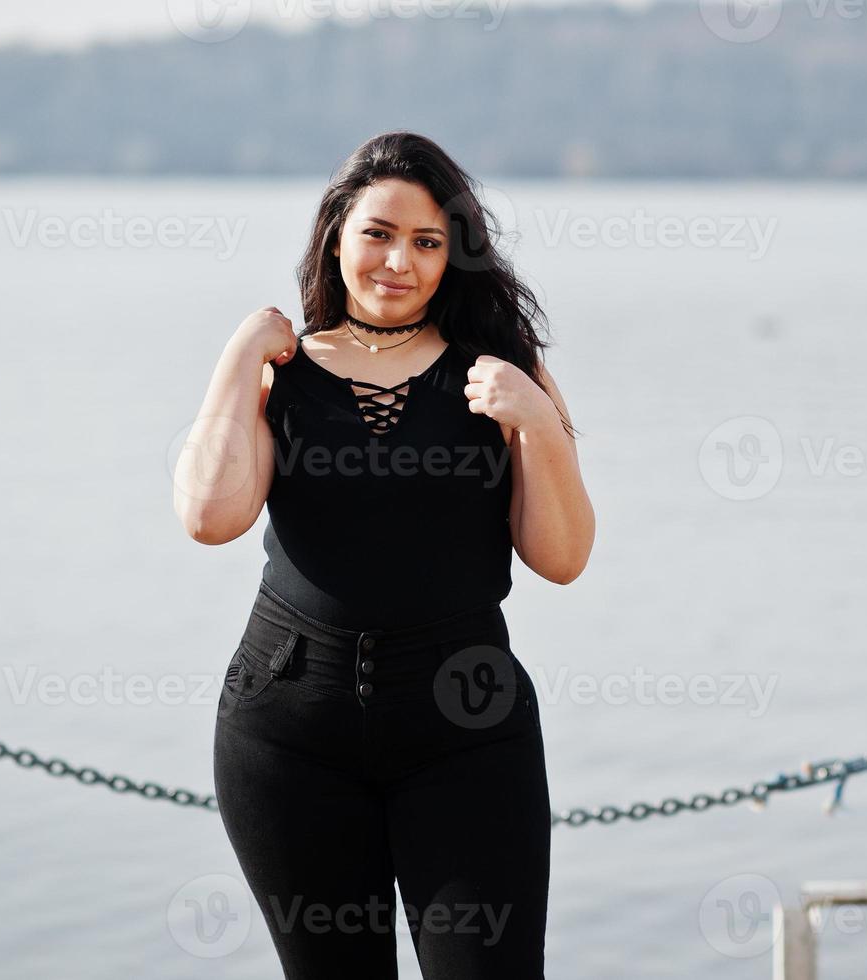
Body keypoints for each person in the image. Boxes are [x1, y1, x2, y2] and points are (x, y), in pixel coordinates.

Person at [173, 130, 595, 979]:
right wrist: (236, 360)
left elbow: (562, 557)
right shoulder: (279, 368)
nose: (398, 259)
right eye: (378, 232)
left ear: (452, 257)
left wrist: (538, 424)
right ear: (337, 234)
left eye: (427, 241)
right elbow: (209, 518)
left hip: (466, 732)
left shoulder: (504, 371)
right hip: (287, 734)